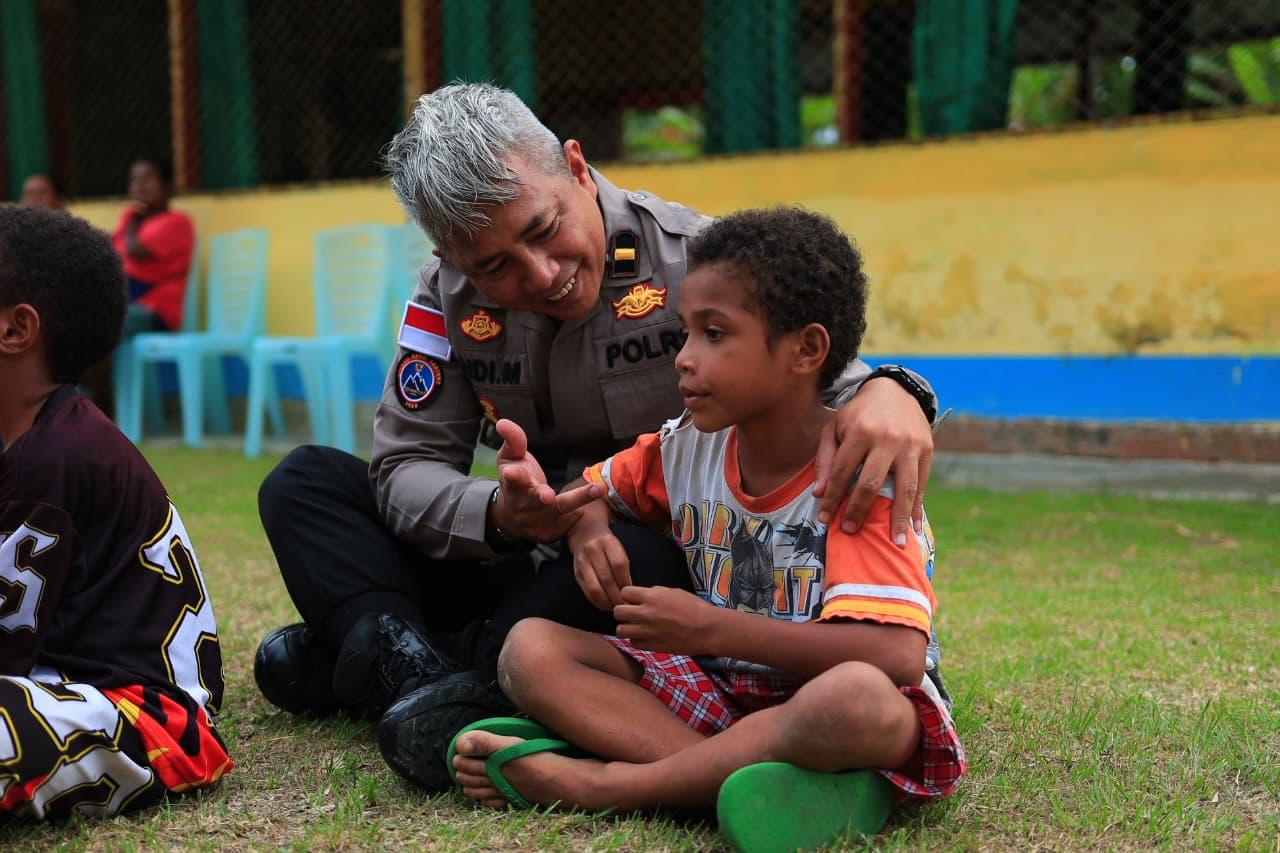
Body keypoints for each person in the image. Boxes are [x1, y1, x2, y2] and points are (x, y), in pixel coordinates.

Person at [252, 83, 943, 792]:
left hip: (625, 575)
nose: (541, 274)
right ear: (451, 255)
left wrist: (897, 390)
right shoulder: (442, 296)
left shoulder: (696, 258)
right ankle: (424, 669)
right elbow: (404, 466)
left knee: (633, 556)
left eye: (543, 229)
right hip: (514, 550)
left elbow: (818, 372)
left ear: (576, 168)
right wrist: (500, 512)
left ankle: (375, 654)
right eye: (492, 267)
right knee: (303, 484)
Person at [449, 208, 965, 846]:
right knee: (531, 651)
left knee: (857, 699)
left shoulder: (858, 477)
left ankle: (604, 786)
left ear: (806, 350)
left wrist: (710, 627)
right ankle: (750, 782)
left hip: (838, 705)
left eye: (714, 334)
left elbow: (895, 656)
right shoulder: (686, 449)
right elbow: (590, 491)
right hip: (721, 697)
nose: (685, 360)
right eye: (685, 334)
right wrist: (590, 532)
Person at [0, 204, 231, 820]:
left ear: (15, 331)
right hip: (68, 682)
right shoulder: (31, 440)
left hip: (156, 722)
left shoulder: (52, 458)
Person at [111, 157, 195, 336]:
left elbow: (134, 251)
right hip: (127, 302)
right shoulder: (133, 219)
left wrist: (132, 223)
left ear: (168, 185)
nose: (140, 185)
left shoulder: (176, 222)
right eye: (134, 180)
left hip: (156, 310)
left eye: (148, 178)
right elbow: (108, 250)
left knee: (98, 322)